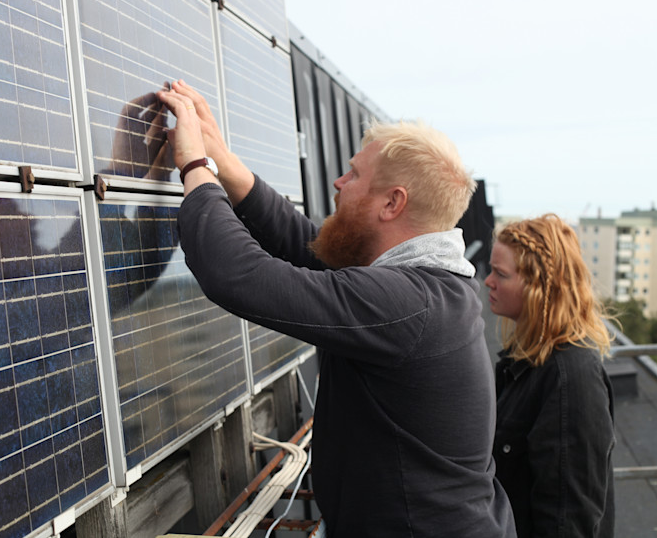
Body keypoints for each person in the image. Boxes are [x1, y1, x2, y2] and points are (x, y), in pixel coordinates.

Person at [157, 80, 516, 537]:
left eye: (354, 175)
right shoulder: (428, 289)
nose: (338, 182)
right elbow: (309, 255)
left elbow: (239, 275)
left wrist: (194, 165)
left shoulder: (410, 303)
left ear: (392, 203)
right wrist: (224, 163)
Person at [484, 215, 616, 537]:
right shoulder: (524, 362)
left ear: (539, 289)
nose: (487, 281)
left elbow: (569, 519)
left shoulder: (571, 378)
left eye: (500, 274)